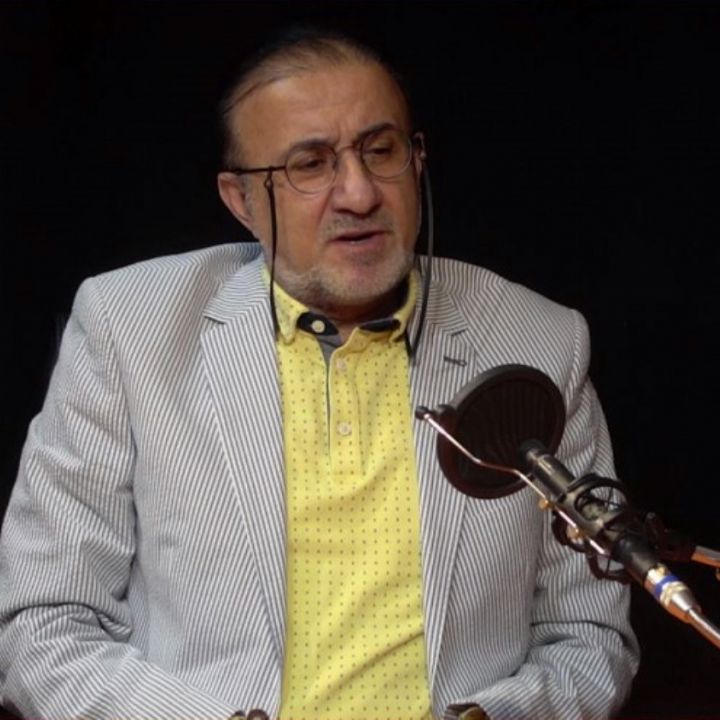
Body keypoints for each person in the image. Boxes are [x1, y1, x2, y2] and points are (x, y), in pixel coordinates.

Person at [0, 27, 638, 720]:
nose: (358, 193)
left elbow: (587, 637)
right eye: (310, 164)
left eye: (381, 151)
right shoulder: (132, 329)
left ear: (418, 162)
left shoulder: (538, 342)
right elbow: (42, 625)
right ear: (241, 200)